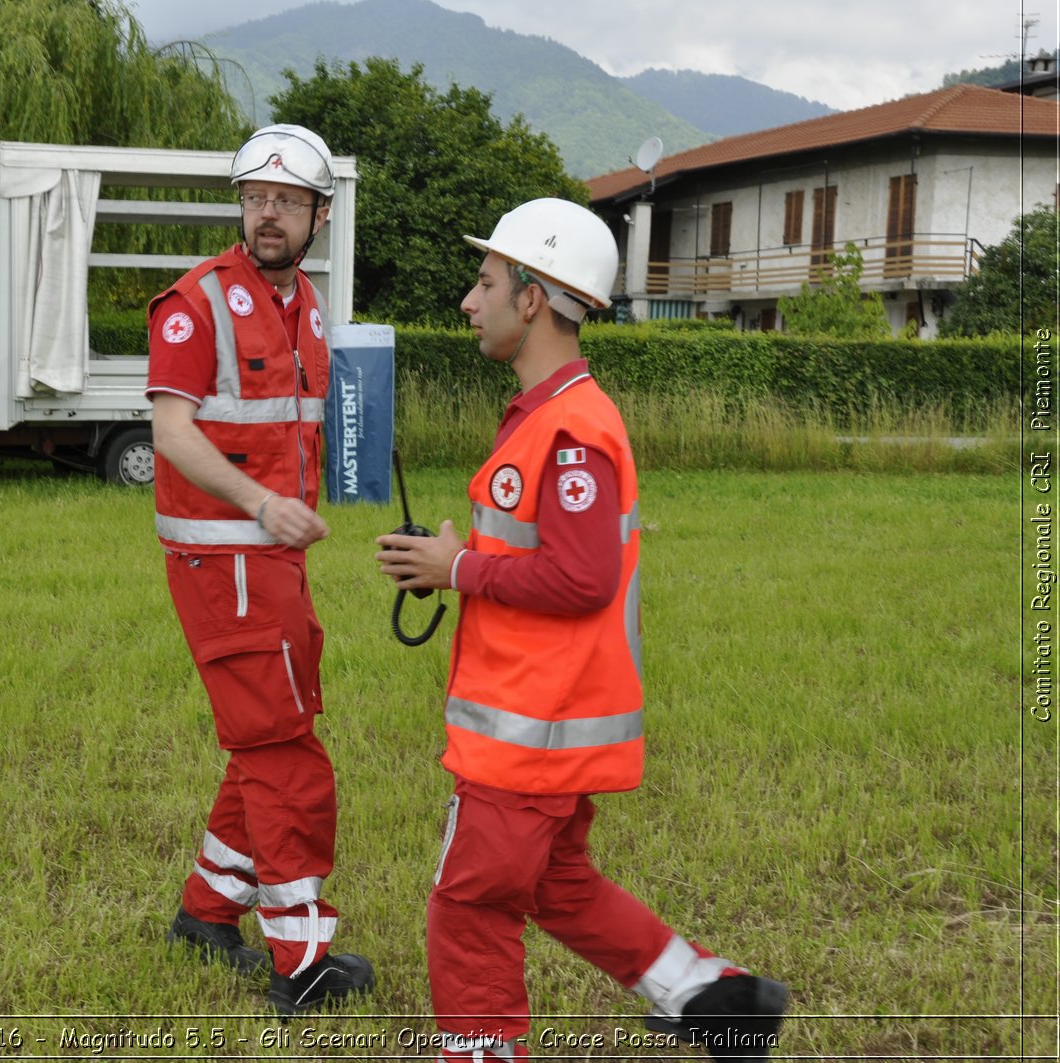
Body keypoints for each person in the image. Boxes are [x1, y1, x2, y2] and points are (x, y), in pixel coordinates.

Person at [375, 199, 788, 1061]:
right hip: (542, 726)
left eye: (485, 282)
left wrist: (454, 571)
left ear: (533, 298)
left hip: (531, 733)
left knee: (471, 904)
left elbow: (581, 576)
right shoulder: (547, 415)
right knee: (557, 884)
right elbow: (537, 554)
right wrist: (458, 555)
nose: (468, 300)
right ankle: (713, 996)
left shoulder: (572, 430)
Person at [145, 123, 374, 1016]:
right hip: (225, 561)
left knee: (268, 731)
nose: (266, 214)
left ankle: (205, 916)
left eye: (285, 201)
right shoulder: (194, 302)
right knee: (286, 755)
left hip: (277, 560)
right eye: (254, 198)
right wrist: (259, 504)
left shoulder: (304, 304)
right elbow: (172, 432)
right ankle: (301, 959)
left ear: (319, 214)